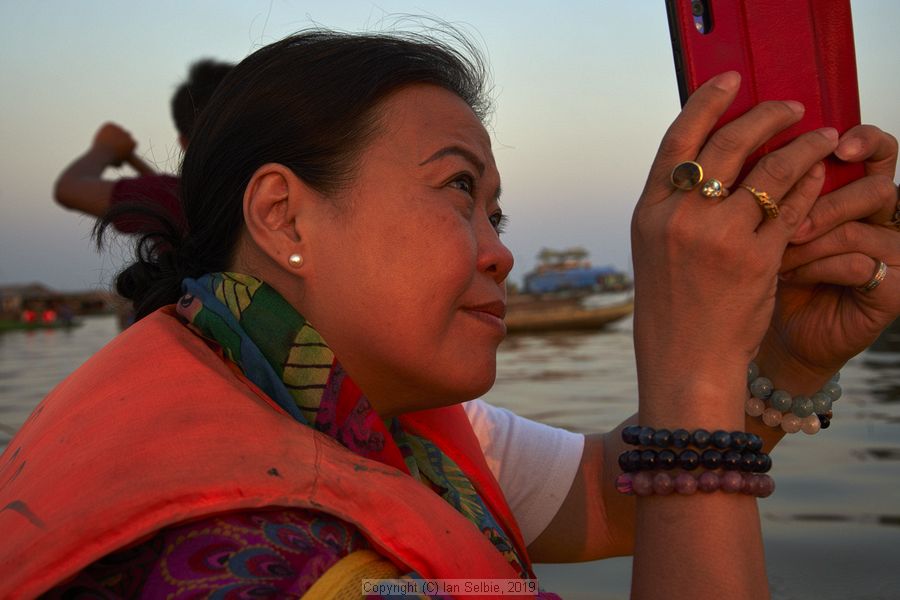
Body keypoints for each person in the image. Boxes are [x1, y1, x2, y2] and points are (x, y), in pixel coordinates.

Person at [1, 28, 898, 599]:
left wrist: (784, 362)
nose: (499, 251)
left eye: (496, 213)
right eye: (458, 189)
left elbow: (618, 497)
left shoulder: (374, 413)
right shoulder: (250, 558)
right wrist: (692, 367)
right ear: (282, 216)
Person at [53, 59, 233, 234]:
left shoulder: (173, 200)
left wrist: (103, 148)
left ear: (184, 143)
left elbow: (68, 188)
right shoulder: (179, 201)